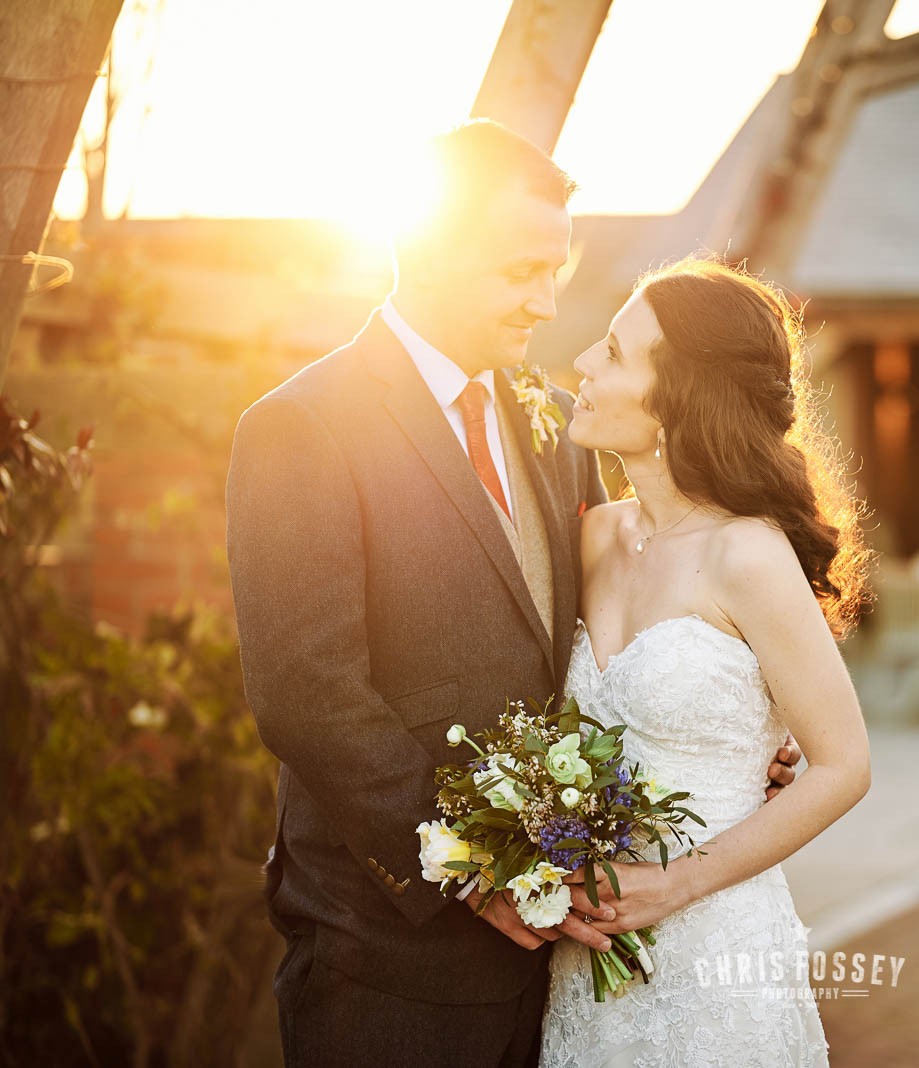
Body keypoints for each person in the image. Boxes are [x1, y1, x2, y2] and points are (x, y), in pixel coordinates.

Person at [225, 121, 803, 1066]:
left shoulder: (552, 422)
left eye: (556, 270)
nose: (546, 300)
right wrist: (473, 867)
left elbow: (617, 622)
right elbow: (305, 691)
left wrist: (744, 727)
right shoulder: (302, 426)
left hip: (559, 964)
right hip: (386, 956)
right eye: (520, 271)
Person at [538, 256, 873, 1066]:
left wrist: (674, 883)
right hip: (586, 964)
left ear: (676, 399)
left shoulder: (747, 555)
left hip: (715, 959)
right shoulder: (593, 537)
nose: (581, 363)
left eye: (613, 353)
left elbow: (844, 766)